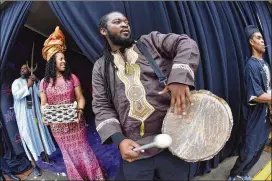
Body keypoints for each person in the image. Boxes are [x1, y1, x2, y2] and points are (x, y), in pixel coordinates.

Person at [92, 11, 200, 180]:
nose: (124, 24)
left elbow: (186, 43)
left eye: (126, 22)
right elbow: (102, 107)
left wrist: (179, 78)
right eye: (117, 22)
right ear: (103, 31)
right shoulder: (100, 68)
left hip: (172, 141)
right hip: (135, 149)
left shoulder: (150, 42)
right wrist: (120, 140)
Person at [39, 26, 106, 180]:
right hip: (58, 128)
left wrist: (80, 111)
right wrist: (45, 114)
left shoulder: (72, 78)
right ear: (52, 61)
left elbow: (81, 98)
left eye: (64, 58)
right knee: (68, 155)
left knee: (83, 150)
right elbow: (43, 103)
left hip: (76, 123)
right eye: (60, 59)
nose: (64, 61)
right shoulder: (43, 83)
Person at [228, 25, 271, 181]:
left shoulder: (265, 65)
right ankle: (233, 175)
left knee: (260, 148)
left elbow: (267, 88)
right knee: (249, 149)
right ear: (251, 42)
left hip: (266, 115)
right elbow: (255, 95)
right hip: (254, 115)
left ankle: (244, 173)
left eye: (262, 38)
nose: (263, 41)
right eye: (259, 38)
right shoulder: (251, 66)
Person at [11, 64, 56, 177]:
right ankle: (34, 165)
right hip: (24, 117)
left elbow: (40, 94)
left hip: (34, 115)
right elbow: (16, 95)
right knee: (29, 139)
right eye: (21, 68)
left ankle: (45, 157)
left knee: (40, 134)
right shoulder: (16, 82)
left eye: (25, 68)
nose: (23, 69)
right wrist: (27, 85)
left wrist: (36, 81)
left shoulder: (32, 81)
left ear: (29, 70)